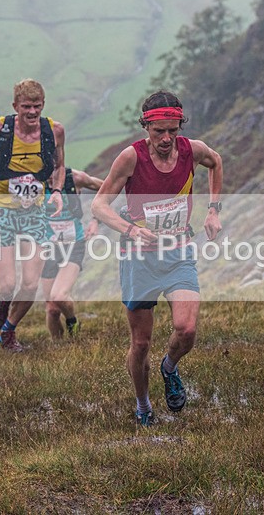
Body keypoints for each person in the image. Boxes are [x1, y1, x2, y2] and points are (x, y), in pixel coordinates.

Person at [91, 90, 223, 427]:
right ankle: (144, 404)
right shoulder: (131, 158)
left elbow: (216, 162)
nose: (166, 138)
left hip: (178, 252)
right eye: (158, 131)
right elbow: (99, 206)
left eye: (172, 130)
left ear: (180, 125)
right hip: (139, 259)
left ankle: (170, 368)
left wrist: (213, 211)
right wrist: (131, 230)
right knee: (141, 342)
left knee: (187, 329)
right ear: (146, 127)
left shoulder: (191, 150)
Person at [0, 78, 65, 352]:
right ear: (15, 106)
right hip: (2, 212)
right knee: (8, 284)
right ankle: (2, 299)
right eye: (26, 107)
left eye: (37, 107)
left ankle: (8, 332)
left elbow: (59, 164)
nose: (32, 113)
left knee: (31, 283)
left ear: (43, 105)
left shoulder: (54, 131)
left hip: (35, 212)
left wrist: (56, 190)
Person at [40, 167, 104, 339]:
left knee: (59, 296)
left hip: (74, 245)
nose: (51, 176)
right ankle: (58, 350)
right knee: (52, 309)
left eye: (54, 169)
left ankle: (71, 320)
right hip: (48, 249)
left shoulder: (75, 178)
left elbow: (107, 188)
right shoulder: (36, 182)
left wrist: (95, 220)